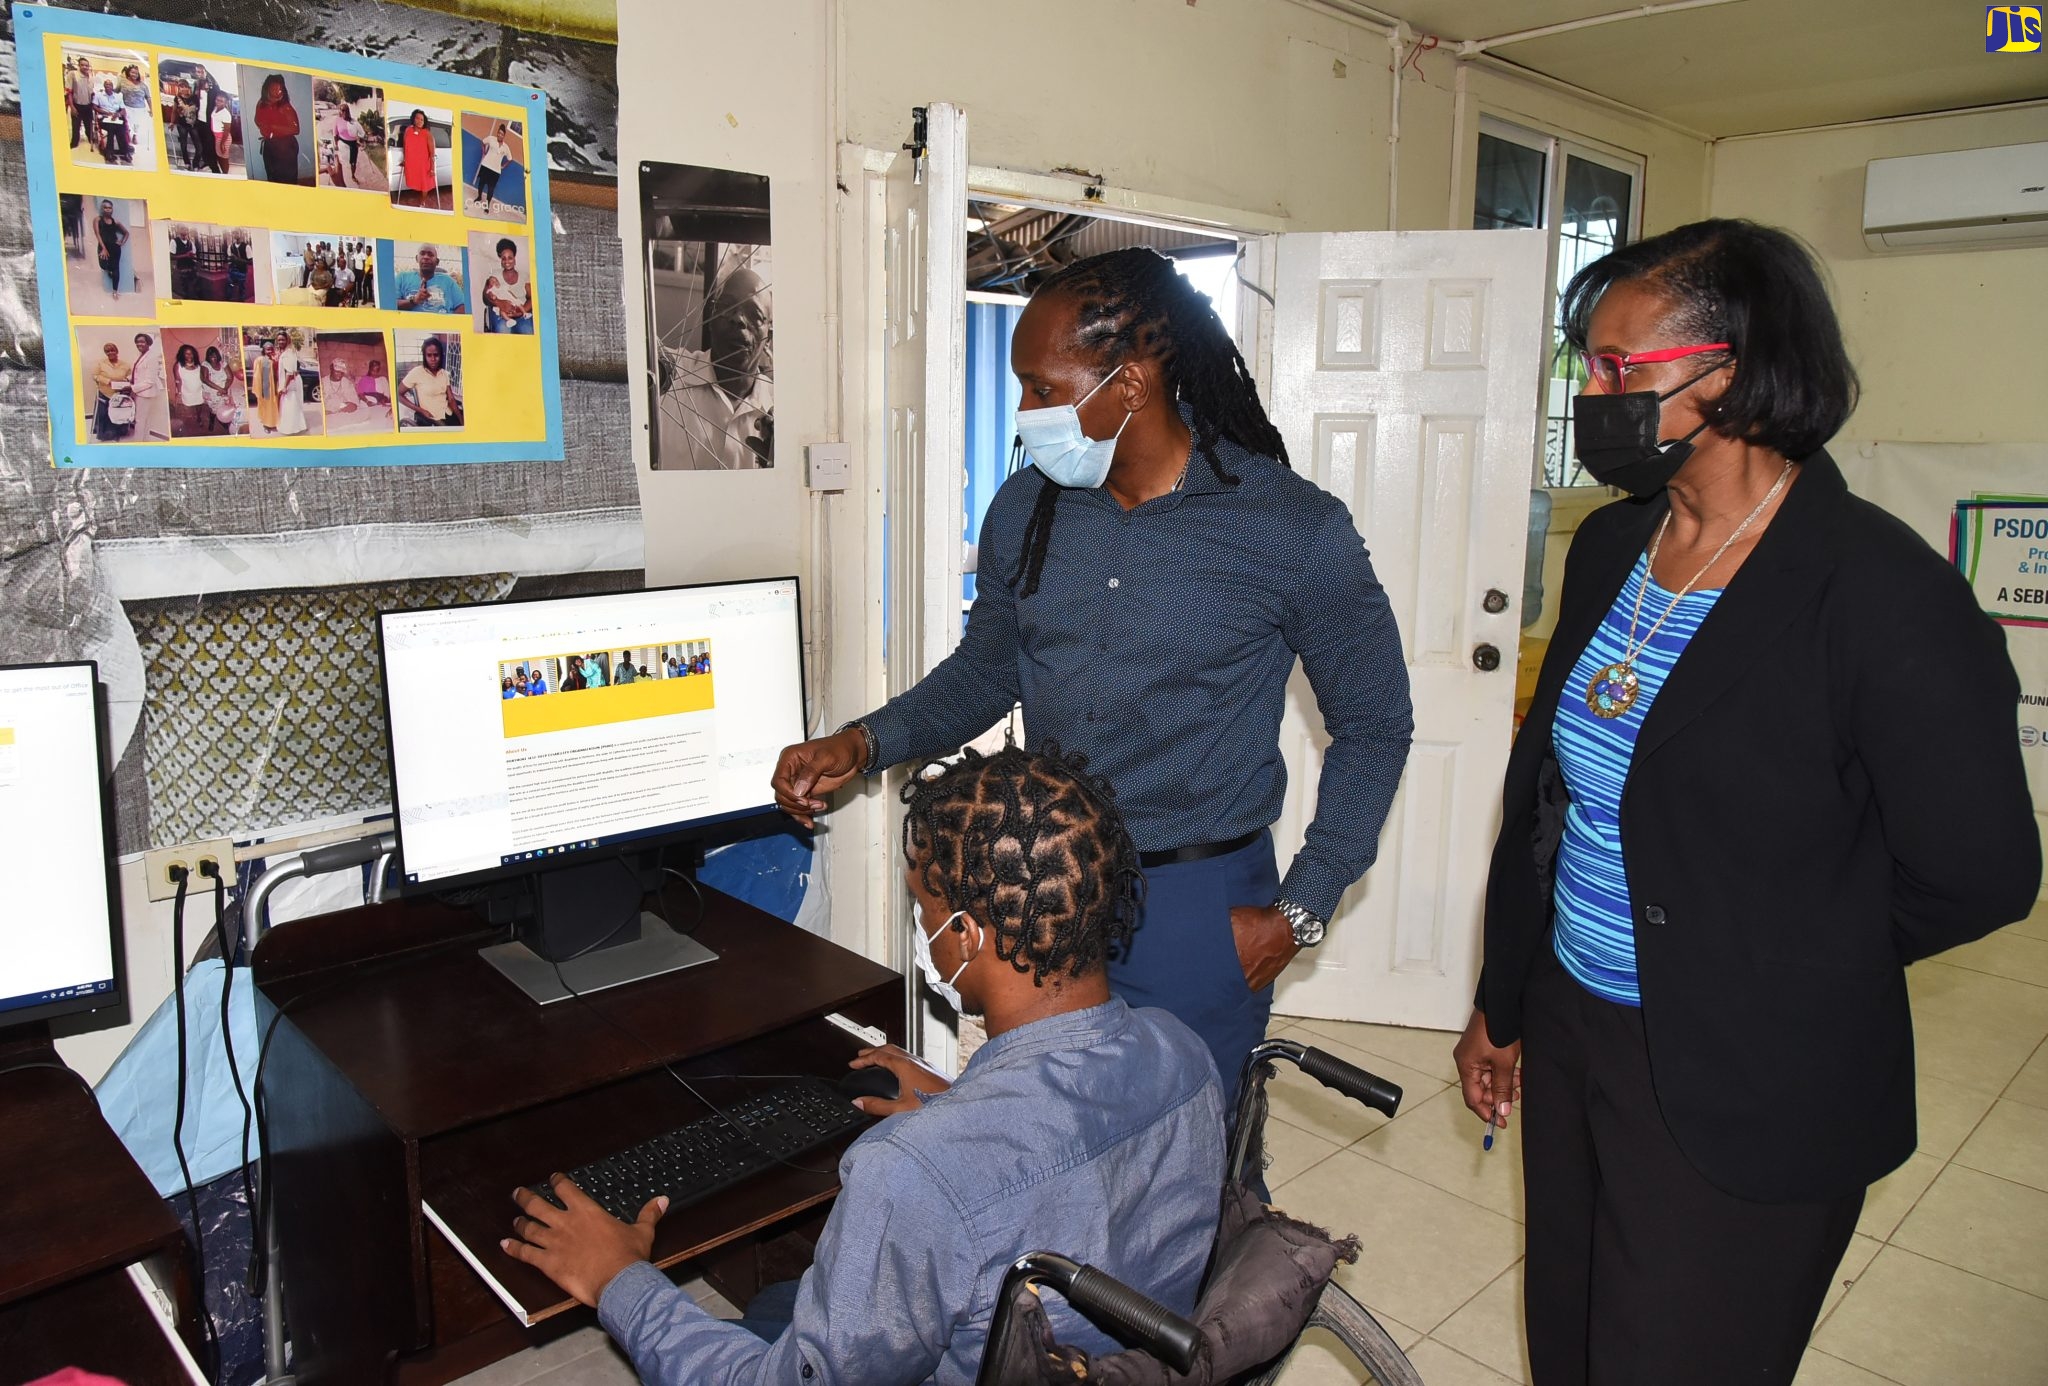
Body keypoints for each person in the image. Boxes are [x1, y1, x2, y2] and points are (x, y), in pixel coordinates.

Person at [1451, 219, 2042, 1386]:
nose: (1594, 395)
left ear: (1731, 371)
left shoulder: (1878, 596)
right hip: (1576, 1026)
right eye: (1588, 367)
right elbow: (1550, 803)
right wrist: (1504, 1004)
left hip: (1745, 1072)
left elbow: (1978, 874)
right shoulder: (1614, 545)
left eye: (1623, 371)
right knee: (1566, 1339)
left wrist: (1770, 956)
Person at [772, 247, 1413, 1107]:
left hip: (1202, 902)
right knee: (1048, 1133)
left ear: (1132, 384)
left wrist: (1299, 909)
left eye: (1044, 387)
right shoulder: (1025, 510)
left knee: (1189, 1164)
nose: (1027, 409)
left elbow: (1375, 727)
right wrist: (864, 740)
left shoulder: (1291, 530)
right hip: (1047, 888)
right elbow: (987, 669)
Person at [502, 742, 1225, 1384]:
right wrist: (955, 1109)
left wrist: (619, 1279)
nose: (922, 928)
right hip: (1106, 1360)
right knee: (782, 1301)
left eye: (923, 907)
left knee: (740, 1327)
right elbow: (1068, 1175)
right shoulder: (1183, 1054)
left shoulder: (908, 1172)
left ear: (966, 935)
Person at [657, 263, 771, 469]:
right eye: (727, 306)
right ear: (711, 318)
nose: (738, 319)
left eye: (754, 314)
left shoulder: (780, 409)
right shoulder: (667, 373)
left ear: (769, 337)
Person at [399, 337, 461, 427]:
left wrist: (461, 419)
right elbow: (398, 394)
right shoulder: (417, 372)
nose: (433, 359)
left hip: (449, 414)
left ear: (441, 355)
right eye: (429, 355)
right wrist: (421, 410)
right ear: (424, 356)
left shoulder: (444, 374)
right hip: (433, 418)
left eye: (436, 355)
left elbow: (451, 399)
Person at [253, 74, 300, 184]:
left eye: (280, 88)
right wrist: (263, 127)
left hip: (286, 148)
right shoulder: (261, 103)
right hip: (269, 146)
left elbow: (295, 129)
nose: (278, 91)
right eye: (274, 88)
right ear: (267, 89)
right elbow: (256, 119)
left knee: (287, 182)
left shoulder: (285, 106)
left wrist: (272, 127)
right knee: (272, 178)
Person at [482, 238, 533, 334]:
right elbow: (485, 295)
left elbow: (532, 298)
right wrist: (499, 302)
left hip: (521, 314)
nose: (507, 261)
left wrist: (520, 311)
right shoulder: (495, 275)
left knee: (528, 331)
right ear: (501, 260)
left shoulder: (524, 276)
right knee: (503, 330)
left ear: (514, 259)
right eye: (503, 258)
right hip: (502, 315)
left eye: (510, 257)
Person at [396, 244, 466, 314]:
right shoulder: (402, 278)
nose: (426, 257)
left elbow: (462, 306)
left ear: (437, 262)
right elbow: (391, 304)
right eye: (422, 253)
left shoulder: (448, 281)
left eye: (430, 255)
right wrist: (414, 300)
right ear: (417, 258)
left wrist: (449, 324)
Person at [398, 107, 440, 209]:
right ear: (413, 118)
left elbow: (432, 153)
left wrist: (432, 168)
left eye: (422, 119)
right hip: (412, 163)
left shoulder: (427, 134)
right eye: (418, 118)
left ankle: (423, 202)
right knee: (415, 182)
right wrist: (404, 159)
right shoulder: (408, 130)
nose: (420, 121)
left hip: (424, 165)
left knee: (424, 185)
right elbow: (405, 146)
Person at [90, 340, 132, 441]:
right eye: (107, 351)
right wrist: (107, 381)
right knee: (104, 414)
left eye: (112, 350)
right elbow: (95, 376)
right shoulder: (100, 363)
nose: (110, 353)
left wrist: (126, 381)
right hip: (105, 393)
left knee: (118, 413)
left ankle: (118, 434)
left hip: (119, 394)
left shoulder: (125, 364)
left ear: (117, 351)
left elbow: (130, 376)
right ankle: (104, 436)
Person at [128, 333, 164, 439]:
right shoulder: (142, 355)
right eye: (137, 342)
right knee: (144, 420)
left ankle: (138, 443)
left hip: (145, 394)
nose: (139, 344)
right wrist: (128, 378)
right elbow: (139, 373)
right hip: (141, 392)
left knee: (140, 420)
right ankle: (145, 440)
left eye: (142, 341)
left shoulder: (151, 357)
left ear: (148, 343)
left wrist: (132, 388)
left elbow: (150, 381)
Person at [93, 200, 131, 301]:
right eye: (105, 207)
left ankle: (115, 292)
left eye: (110, 208)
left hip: (115, 248)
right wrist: (104, 248)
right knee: (103, 265)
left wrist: (122, 242)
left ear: (112, 209)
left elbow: (126, 233)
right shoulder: (97, 220)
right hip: (103, 247)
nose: (108, 210)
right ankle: (109, 270)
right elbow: (97, 234)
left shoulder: (116, 222)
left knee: (116, 269)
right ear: (102, 209)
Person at [474, 121, 514, 215]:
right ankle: (479, 197)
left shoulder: (506, 147)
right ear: (497, 133)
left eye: (502, 134)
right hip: (486, 166)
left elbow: (510, 159)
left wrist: (503, 166)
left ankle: (487, 206)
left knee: (491, 189)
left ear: (504, 136)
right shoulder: (491, 139)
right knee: (481, 184)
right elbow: (483, 142)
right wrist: (483, 152)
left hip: (496, 171)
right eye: (499, 133)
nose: (500, 135)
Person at [273, 333, 308, 436]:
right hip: (292, 380)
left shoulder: (288, 353)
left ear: (287, 340)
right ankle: (297, 426)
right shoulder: (287, 352)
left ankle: (290, 428)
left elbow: (289, 372)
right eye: (279, 340)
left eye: (283, 340)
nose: (280, 342)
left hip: (290, 381)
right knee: (292, 404)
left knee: (290, 404)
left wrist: (284, 386)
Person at [120, 64, 154, 170]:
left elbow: (148, 97)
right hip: (127, 107)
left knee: (137, 124)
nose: (134, 74)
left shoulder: (143, 85)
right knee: (127, 124)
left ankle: (135, 136)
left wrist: (152, 109)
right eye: (132, 72)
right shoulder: (123, 82)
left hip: (140, 108)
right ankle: (128, 139)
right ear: (128, 73)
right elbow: (116, 91)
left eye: (136, 72)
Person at [171, 344, 209, 436]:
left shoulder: (198, 365)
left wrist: (206, 390)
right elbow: (177, 380)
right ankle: (190, 424)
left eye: (191, 354)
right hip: (187, 391)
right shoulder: (178, 365)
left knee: (199, 406)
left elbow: (203, 378)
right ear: (182, 354)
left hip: (199, 391)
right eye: (186, 354)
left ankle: (199, 418)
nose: (189, 356)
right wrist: (178, 392)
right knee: (188, 408)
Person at [200, 345, 237, 433]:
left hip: (223, 390)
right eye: (211, 356)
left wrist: (225, 389)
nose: (213, 358)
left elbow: (230, 377)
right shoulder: (205, 364)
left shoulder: (223, 363)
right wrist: (220, 389)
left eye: (215, 355)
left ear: (218, 355)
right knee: (214, 409)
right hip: (211, 391)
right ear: (208, 357)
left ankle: (221, 419)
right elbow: (205, 379)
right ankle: (212, 422)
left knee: (222, 406)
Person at [93, 77, 130, 164]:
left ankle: (125, 152)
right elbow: (94, 106)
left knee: (121, 129)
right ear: (104, 86)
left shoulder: (118, 96)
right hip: (104, 118)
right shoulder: (99, 95)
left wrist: (118, 114)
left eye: (110, 84)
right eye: (106, 84)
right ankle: (110, 152)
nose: (108, 86)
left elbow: (123, 110)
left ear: (113, 86)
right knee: (111, 127)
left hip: (116, 118)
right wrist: (105, 112)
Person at [67, 56, 95, 151]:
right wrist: (72, 107)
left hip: (88, 106)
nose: (85, 67)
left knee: (89, 126)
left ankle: (91, 140)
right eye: (82, 65)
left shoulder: (91, 76)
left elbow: (92, 92)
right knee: (76, 126)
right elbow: (69, 92)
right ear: (79, 65)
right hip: (77, 105)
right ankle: (74, 142)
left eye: (87, 65)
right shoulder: (73, 74)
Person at [207, 78, 235, 173]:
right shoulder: (215, 108)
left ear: (225, 102)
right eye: (217, 100)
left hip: (224, 138)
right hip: (217, 137)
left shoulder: (226, 114)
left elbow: (227, 131)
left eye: (221, 101)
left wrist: (222, 143)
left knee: (224, 159)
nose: (218, 102)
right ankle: (223, 174)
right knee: (219, 156)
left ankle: (225, 175)